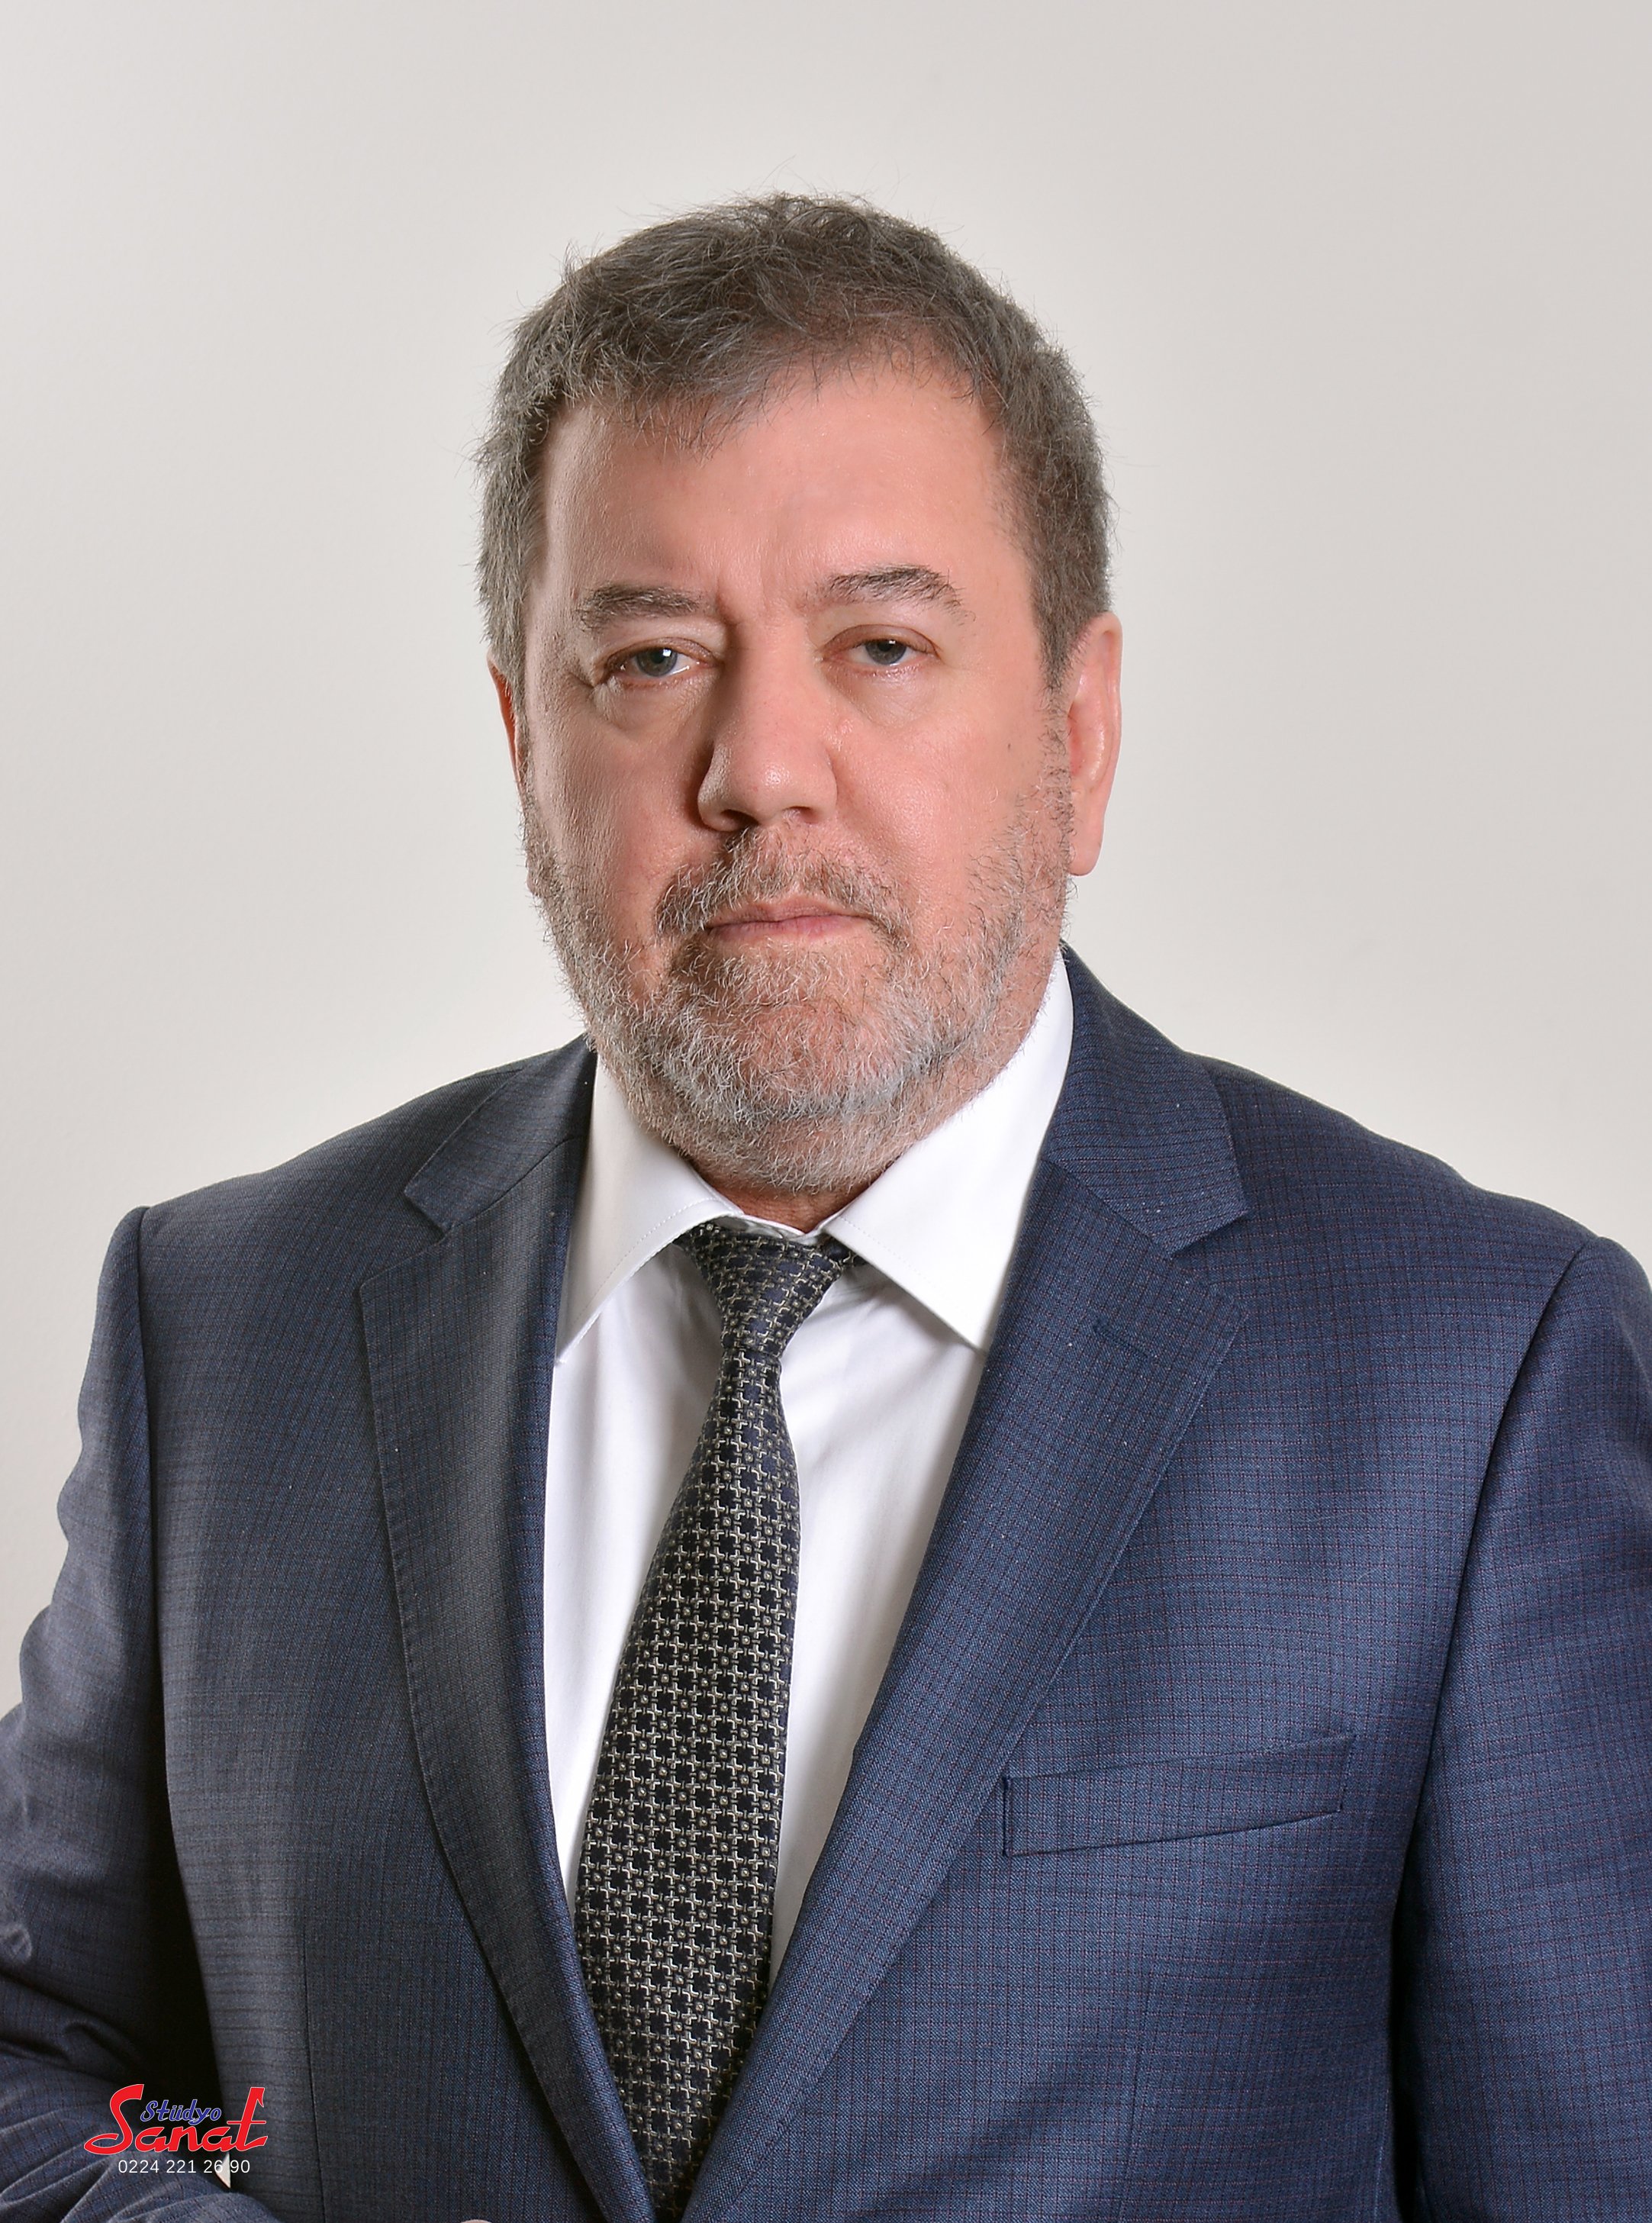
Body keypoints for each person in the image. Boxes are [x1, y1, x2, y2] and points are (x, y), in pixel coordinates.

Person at [1, 194, 1649, 2223]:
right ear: (523, 744)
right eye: (651, 658)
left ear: (1078, 735)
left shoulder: (1475, 1380)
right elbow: (57, 2058)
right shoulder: (226, 1326)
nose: (762, 766)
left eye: (881, 646)